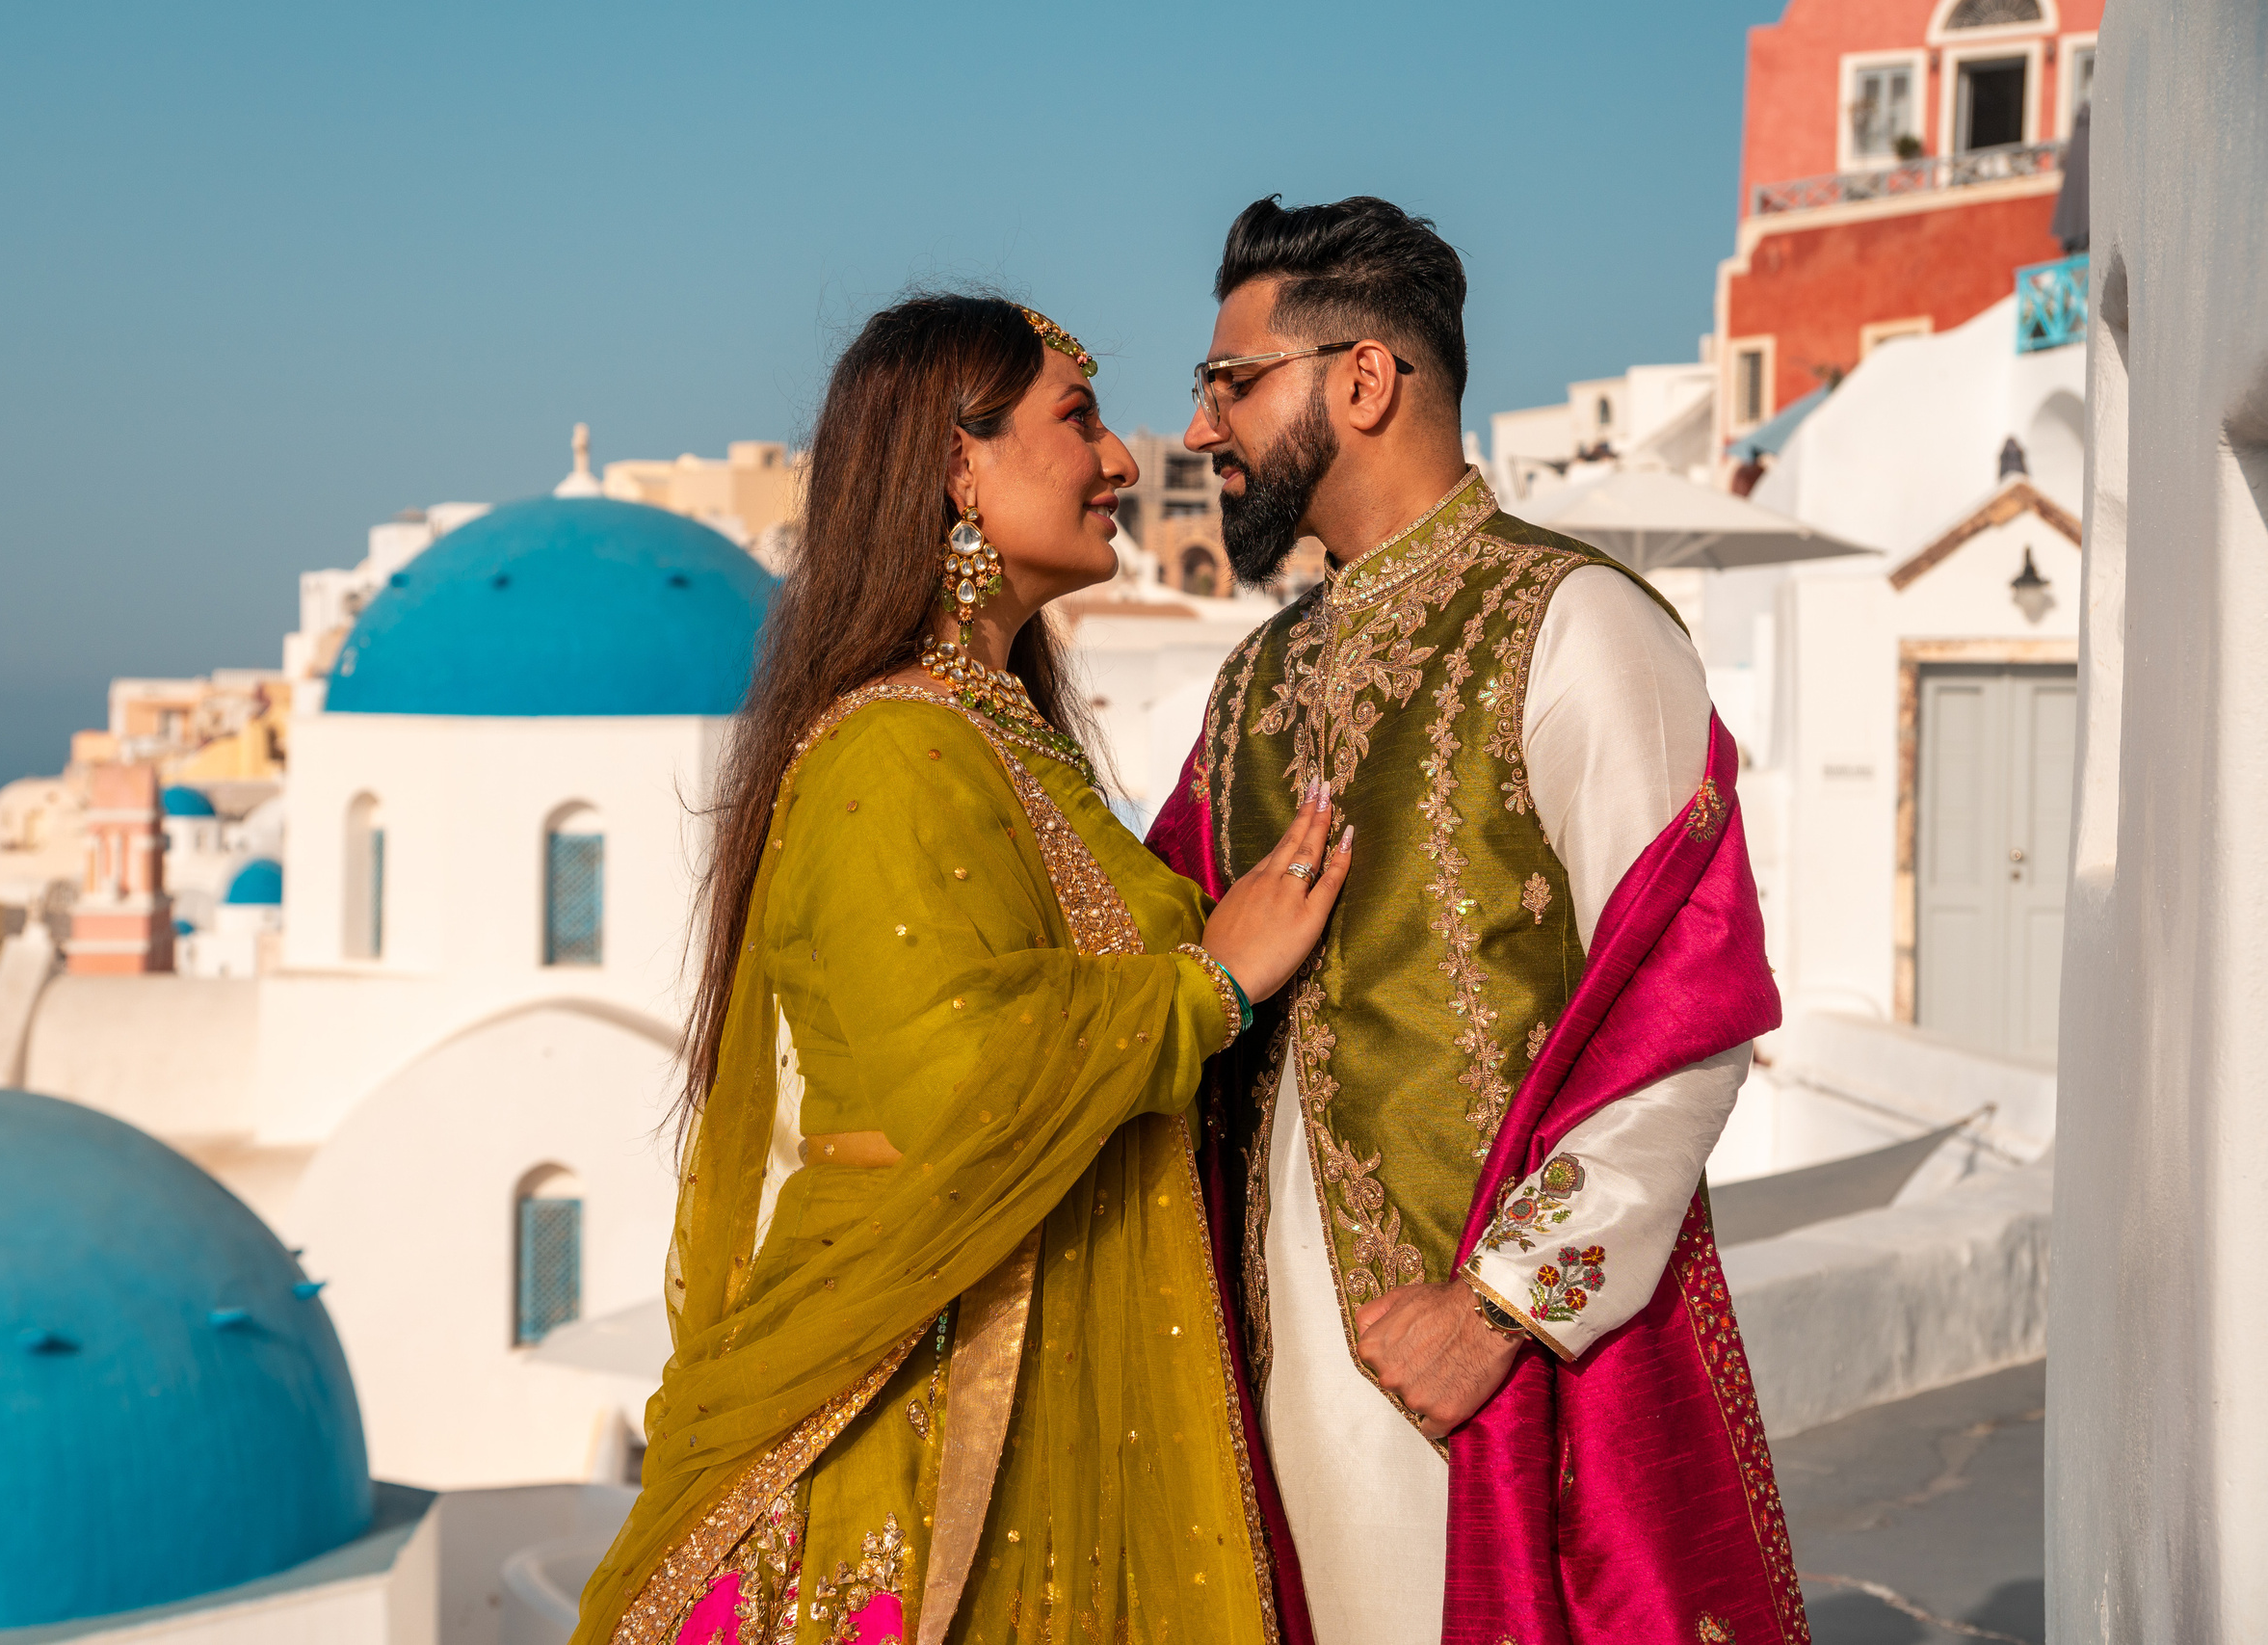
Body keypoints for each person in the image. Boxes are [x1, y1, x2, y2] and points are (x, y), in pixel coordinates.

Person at [569, 294, 1351, 1645]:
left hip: (1046, 1379)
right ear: (955, 472)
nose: (1120, 461)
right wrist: (1205, 988)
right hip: (922, 1410)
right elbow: (961, 1075)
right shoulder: (892, 753)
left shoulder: (1010, 740)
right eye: (1078, 419)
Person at [1147, 198, 1808, 1644]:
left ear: (1363, 381)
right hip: (1269, 1375)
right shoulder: (1254, 684)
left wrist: (1503, 1307)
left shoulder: (1578, 626)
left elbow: (1681, 1015)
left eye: (1230, 383)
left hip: (1483, 1380)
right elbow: (1153, 969)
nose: (1202, 431)